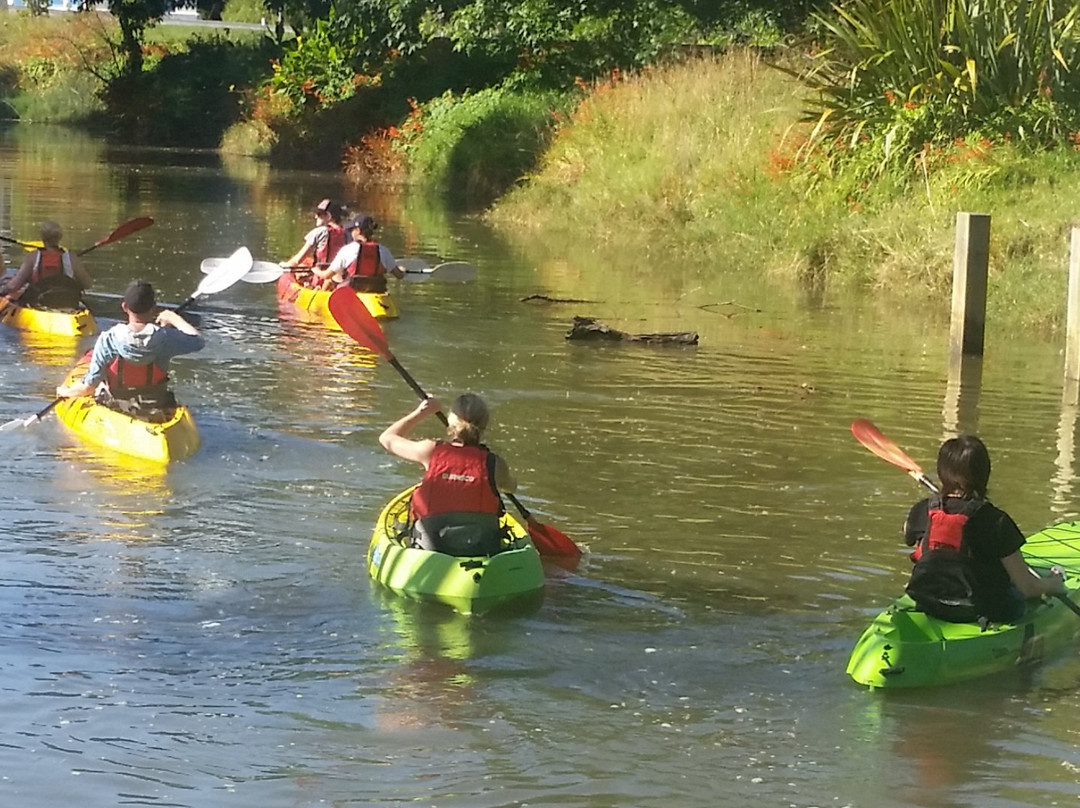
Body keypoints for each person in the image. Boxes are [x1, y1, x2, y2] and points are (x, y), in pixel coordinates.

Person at [903, 435, 1065, 623]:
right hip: (979, 610)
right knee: (1022, 591)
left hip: (928, 602)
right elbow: (1028, 588)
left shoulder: (924, 509)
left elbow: (907, 533)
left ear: (941, 473)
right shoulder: (996, 521)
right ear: (984, 473)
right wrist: (1053, 584)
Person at [379, 394, 517, 556]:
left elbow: (386, 438)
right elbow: (510, 487)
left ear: (451, 422)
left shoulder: (429, 451)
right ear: (484, 425)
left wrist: (422, 412)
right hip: (482, 549)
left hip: (431, 548)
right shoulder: (495, 464)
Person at [56, 280, 205, 418]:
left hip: (116, 405)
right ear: (153, 308)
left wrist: (65, 392)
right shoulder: (166, 337)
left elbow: (88, 387)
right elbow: (198, 341)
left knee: (100, 386)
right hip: (155, 404)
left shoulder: (108, 339)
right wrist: (173, 318)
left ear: (124, 307)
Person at [0, 221, 92, 308]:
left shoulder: (33, 257)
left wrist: (3, 290)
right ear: (60, 237)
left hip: (38, 303)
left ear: (42, 237)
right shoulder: (72, 258)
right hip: (68, 303)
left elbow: (13, 286)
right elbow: (88, 284)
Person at [313, 213, 402, 292]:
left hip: (351, 294)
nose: (350, 233)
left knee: (330, 280)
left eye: (352, 230)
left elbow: (326, 275)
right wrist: (402, 270)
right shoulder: (384, 250)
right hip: (376, 291)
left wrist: (315, 270)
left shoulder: (347, 250)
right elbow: (399, 275)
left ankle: (320, 295)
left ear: (358, 230)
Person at [279, 198, 347, 286]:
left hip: (321, 278)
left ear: (328, 216)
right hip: (339, 278)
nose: (315, 217)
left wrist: (284, 266)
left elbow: (298, 260)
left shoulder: (319, 232)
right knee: (306, 263)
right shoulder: (347, 233)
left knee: (299, 269)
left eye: (319, 214)